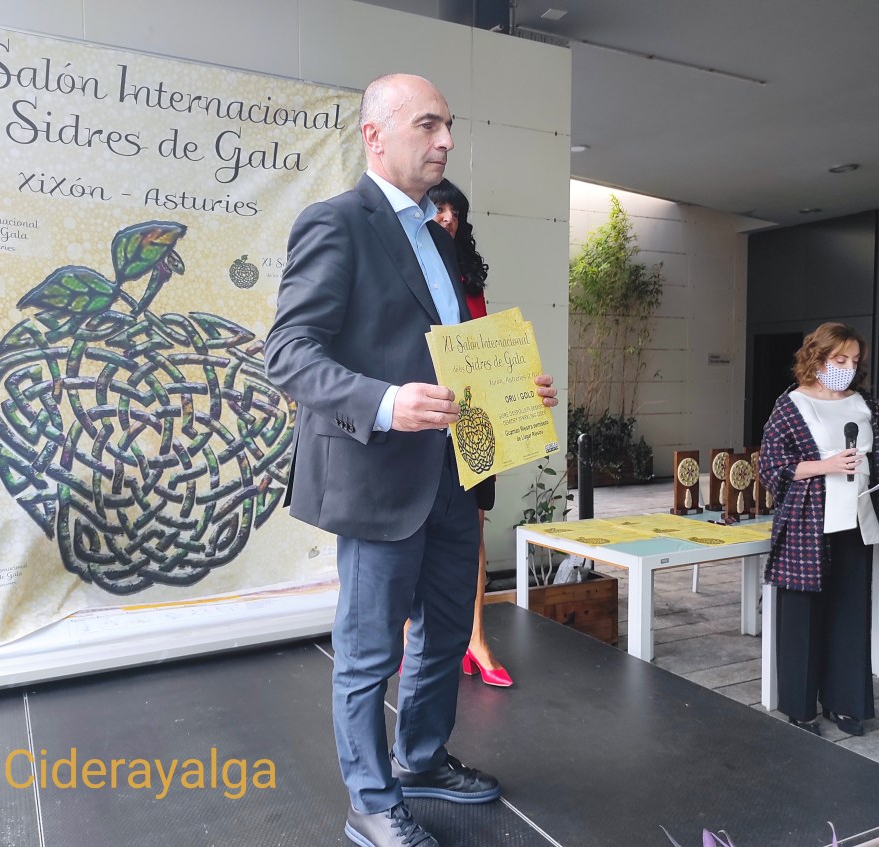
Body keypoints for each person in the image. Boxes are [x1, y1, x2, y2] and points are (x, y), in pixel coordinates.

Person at [265, 73, 558, 847]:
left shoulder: (440, 236)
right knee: (368, 653)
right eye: (428, 124)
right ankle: (370, 801)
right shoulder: (336, 223)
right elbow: (288, 354)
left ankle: (420, 760)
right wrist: (388, 402)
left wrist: (514, 389)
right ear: (375, 134)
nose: (447, 141)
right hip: (380, 477)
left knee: (445, 633)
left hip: (456, 474)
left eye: (448, 125)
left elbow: (451, 353)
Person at [758, 322, 878, 738]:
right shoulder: (792, 404)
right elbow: (770, 467)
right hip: (808, 523)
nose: (848, 367)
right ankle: (800, 707)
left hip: (857, 521)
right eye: (840, 359)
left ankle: (845, 703)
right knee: (803, 615)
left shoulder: (864, 404)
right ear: (818, 357)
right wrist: (826, 465)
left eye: (854, 360)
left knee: (850, 613)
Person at [428, 177, 512, 688]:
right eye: (440, 209)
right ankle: (416, 637)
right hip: (422, 422)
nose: (448, 218)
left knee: (473, 533)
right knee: (417, 534)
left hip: (473, 421)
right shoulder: (408, 267)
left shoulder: (469, 280)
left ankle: (475, 639)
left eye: (455, 212)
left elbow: (487, 353)